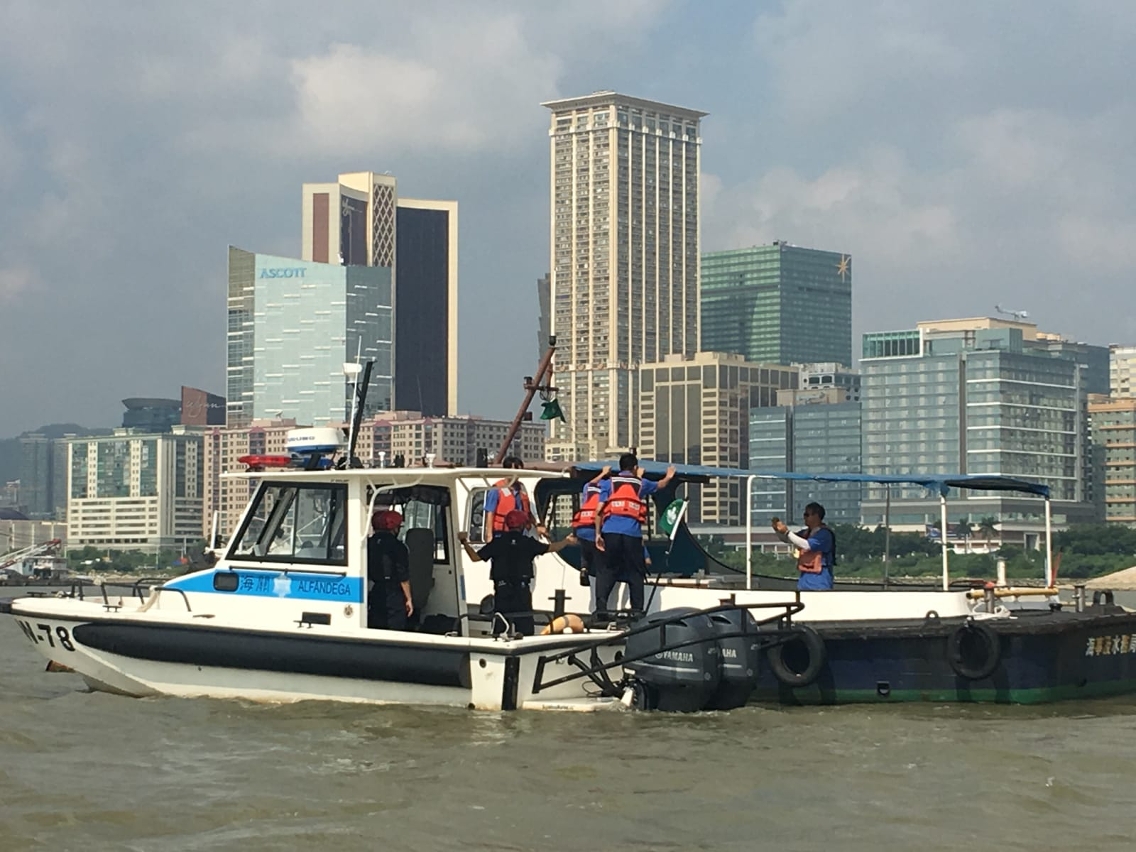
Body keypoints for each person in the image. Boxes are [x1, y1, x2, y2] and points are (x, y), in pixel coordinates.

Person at [459, 509, 576, 636]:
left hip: (502, 590)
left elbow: (475, 557)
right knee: (526, 631)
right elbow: (551, 547)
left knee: (500, 628)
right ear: (522, 525)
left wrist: (464, 541)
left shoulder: (497, 543)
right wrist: (566, 541)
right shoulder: (528, 543)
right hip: (522, 591)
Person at [593, 454, 676, 615]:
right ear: (635, 468)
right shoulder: (641, 483)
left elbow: (598, 511)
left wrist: (598, 534)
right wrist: (669, 476)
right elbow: (660, 485)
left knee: (607, 570)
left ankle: (601, 609)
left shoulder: (609, 483)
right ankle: (637, 610)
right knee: (635, 571)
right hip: (632, 534)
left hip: (610, 532)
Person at [772, 502, 836, 591]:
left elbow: (807, 545)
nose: (804, 517)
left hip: (819, 580)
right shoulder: (806, 533)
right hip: (804, 580)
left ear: (816, 516)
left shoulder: (824, 534)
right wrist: (778, 530)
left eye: (807, 514)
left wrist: (787, 532)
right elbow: (789, 539)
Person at [367, 510, 414, 629]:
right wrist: (408, 599)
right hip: (393, 592)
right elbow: (403, 576)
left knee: (376, 622)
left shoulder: (367, 544)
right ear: (394, 528)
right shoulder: (398, 547)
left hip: (375, 589)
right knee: (395, 625)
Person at [483, 455, 548, 541]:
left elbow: (527, 512)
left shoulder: (521, 488)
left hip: (520, 533)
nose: (518, 475)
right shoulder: (496, 489)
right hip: (501, 534)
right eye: (516, 470)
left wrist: (537, 525)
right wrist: (489, 535)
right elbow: (490, 513)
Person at [572, 465, 611, 590]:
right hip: (594, 527)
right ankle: (601, 582)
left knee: (585, 551)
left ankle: (584, 568)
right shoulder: (609, 487)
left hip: (581, 526)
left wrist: (602, 473)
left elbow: (591, 483)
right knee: (600, 557)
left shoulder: (587, 487)